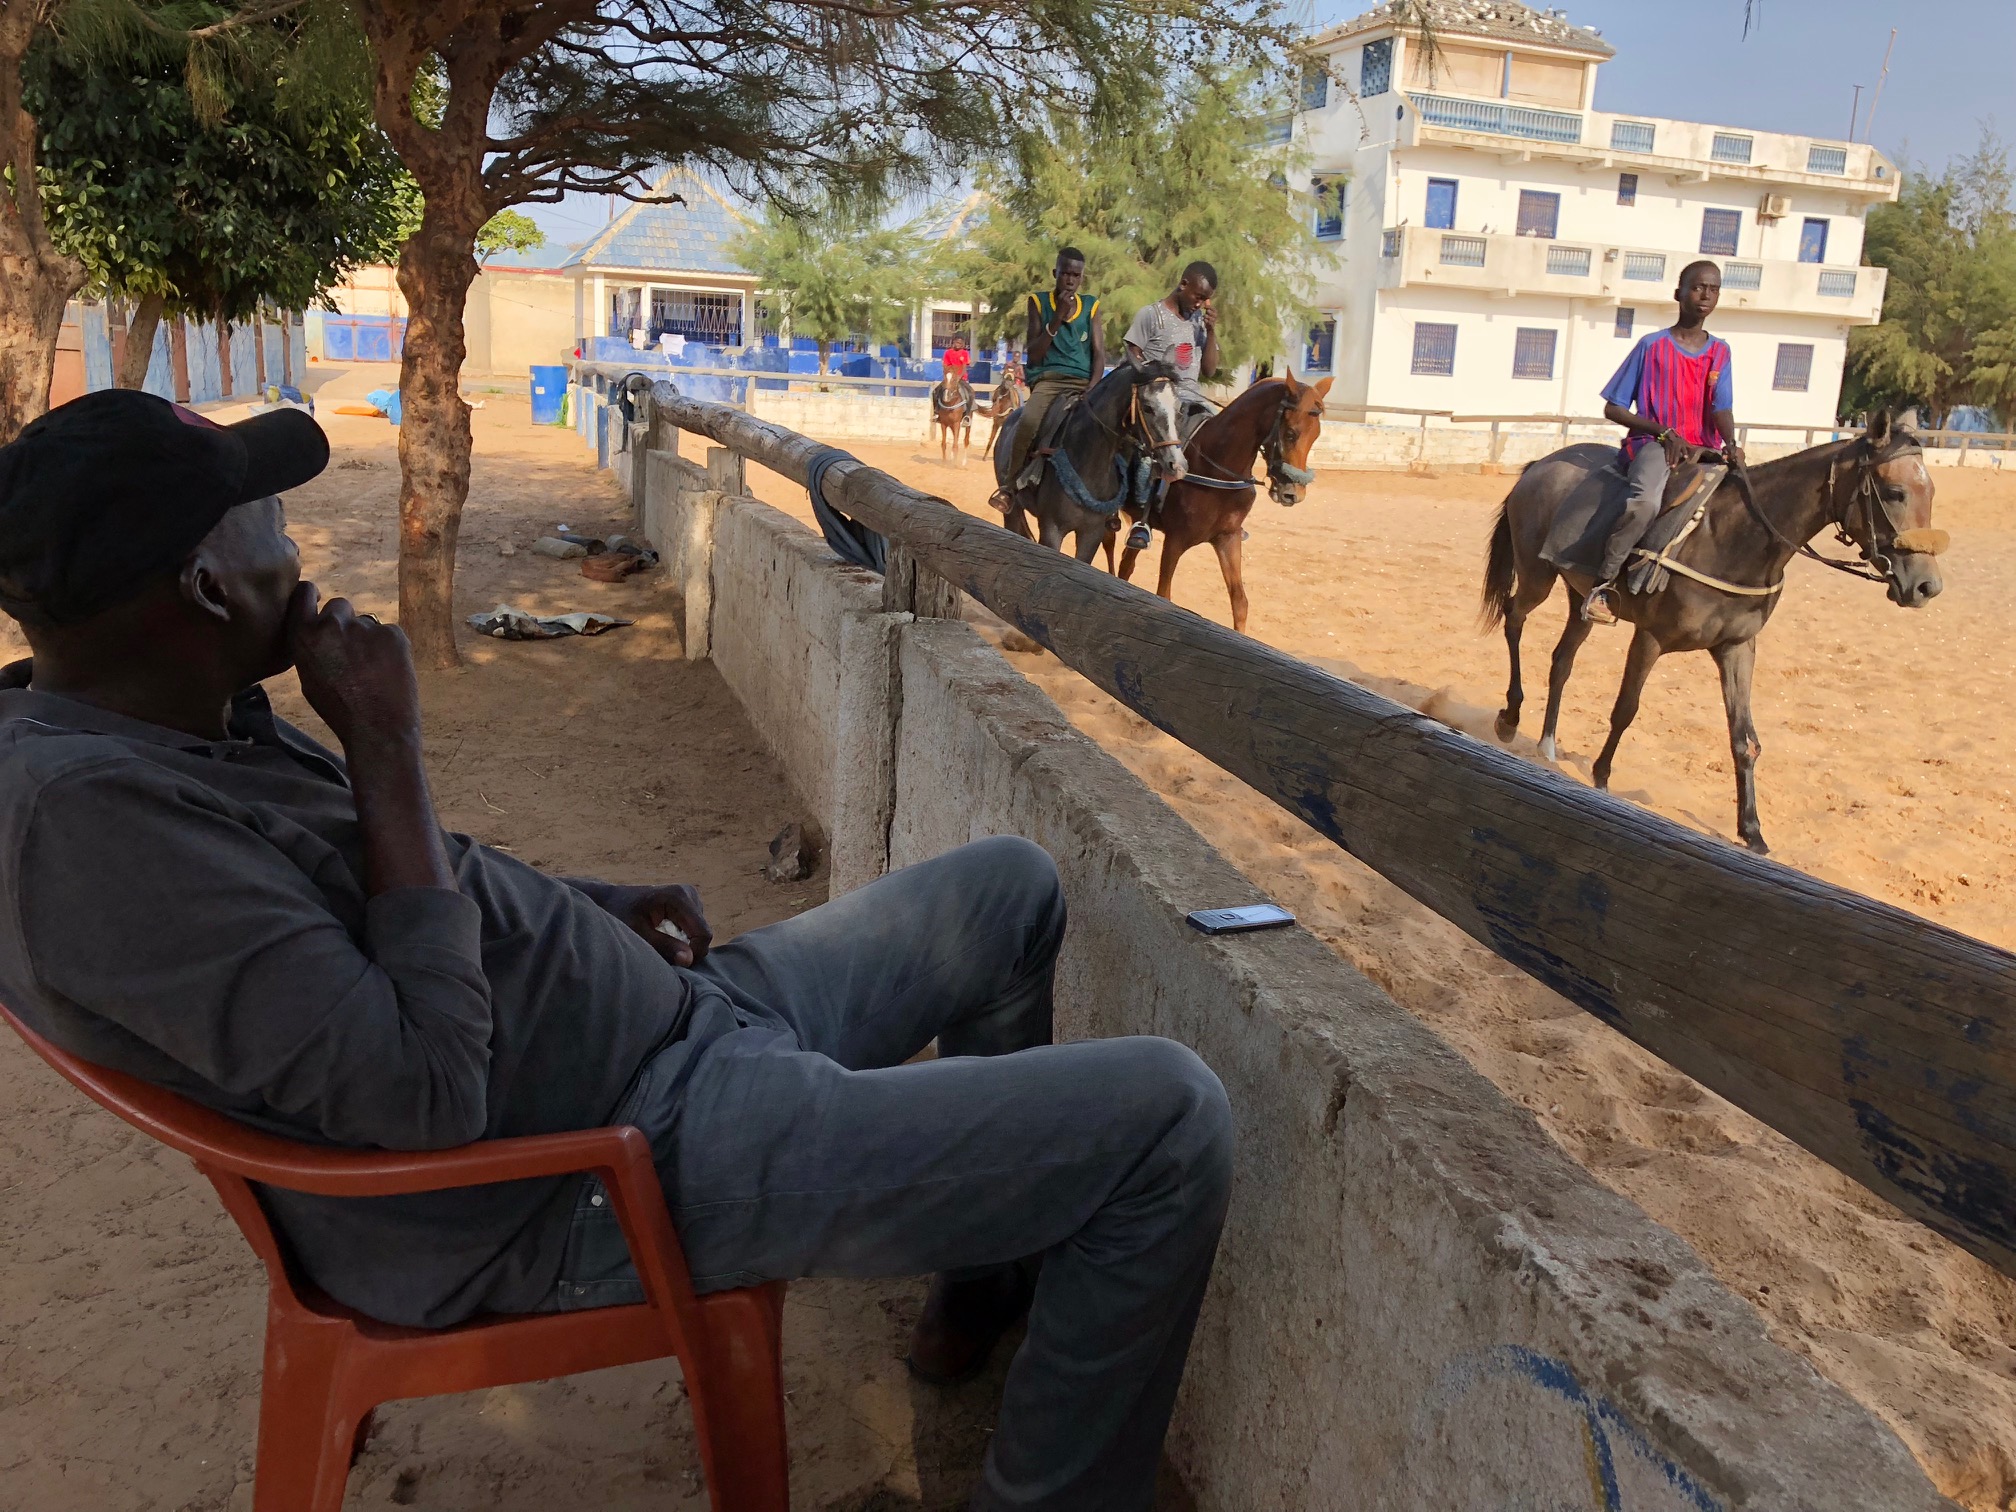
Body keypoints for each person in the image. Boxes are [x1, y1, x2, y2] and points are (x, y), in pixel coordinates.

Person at [0, 390, 1235, 1512]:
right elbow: (422, 1093)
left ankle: (980, 1277)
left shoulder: (173, 720)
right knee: (1169, 1121)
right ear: (208, 589)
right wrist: (385, 745)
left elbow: (392, 899)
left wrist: (589, 909)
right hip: (605, 1166)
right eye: (270, 522)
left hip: (672, 1029)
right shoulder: (97, 841)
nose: (299, 547)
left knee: (1006, 892)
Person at [1587, 260, 1746, 624]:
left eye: (1714, 288)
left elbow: (1721, 407)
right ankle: (1604, 585)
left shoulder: (1720, 352)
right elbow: (1614, 408)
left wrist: (1732, 442)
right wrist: (1661, 431)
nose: (1706, 295)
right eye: (1697, 287)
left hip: (1702, 449)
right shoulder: (1651, 346)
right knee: (1644, 504)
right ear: (1679, 294)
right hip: (1653, 445)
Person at [996, 247, 1104, 511]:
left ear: (1081, 278)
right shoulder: (1038, 302)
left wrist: (1094, 384)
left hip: (1083, 382)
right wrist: (1056, 320)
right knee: (1028, 421)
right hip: (1049, 381)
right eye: (1065, 273)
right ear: (1055, 273)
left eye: (1075, 275)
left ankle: (1112, 501)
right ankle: (1008, 486)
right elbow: (1034, 354)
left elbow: (1099, 352)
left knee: (1114, 427)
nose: (1070, 280)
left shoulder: (1091, 306)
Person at [1123, 262, 1221, 551]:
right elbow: (1131, 350)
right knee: (1150, 455)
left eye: (1206, 299)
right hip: (1161, 399)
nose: (1202, 303)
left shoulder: (1197, 324)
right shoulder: (1151, 316)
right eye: (1199, 296)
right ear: (1183, 284)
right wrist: (1146, 374)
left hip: (1194, 400)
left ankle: (1224, 511)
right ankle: (1142, 519)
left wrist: (1212, 331)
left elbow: (1211, 370)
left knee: (1223, 437)